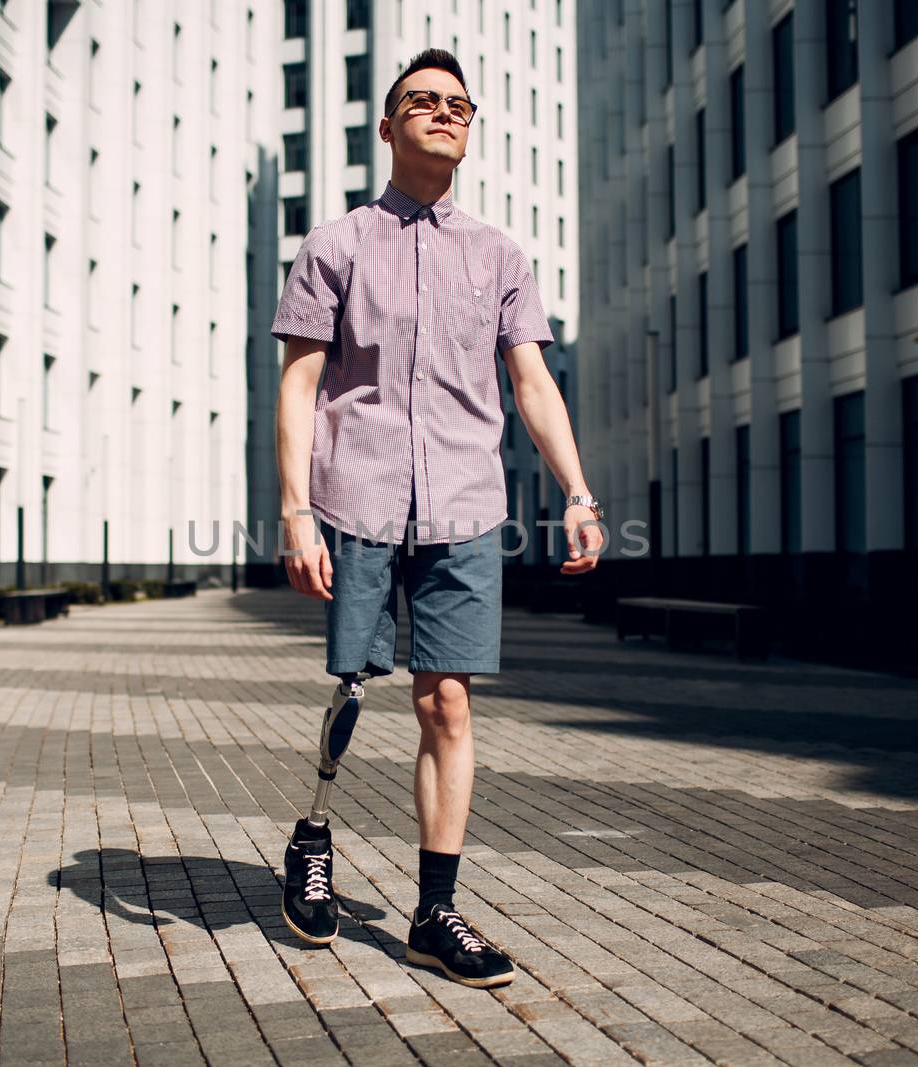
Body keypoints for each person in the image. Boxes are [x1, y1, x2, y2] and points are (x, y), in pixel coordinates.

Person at [269, 48, 604, 989]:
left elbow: (532, 381)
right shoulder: (334, 246)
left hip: (463, 502)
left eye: (458, 104)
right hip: (360, 498)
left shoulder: (499, 255)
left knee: (447, 700)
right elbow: (298, 384)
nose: (443, 113)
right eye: (422, 101)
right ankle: (313, 834)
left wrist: (578, 493)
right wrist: (296, 510)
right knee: (354, 685)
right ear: (387, 127)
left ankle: (434, 910)